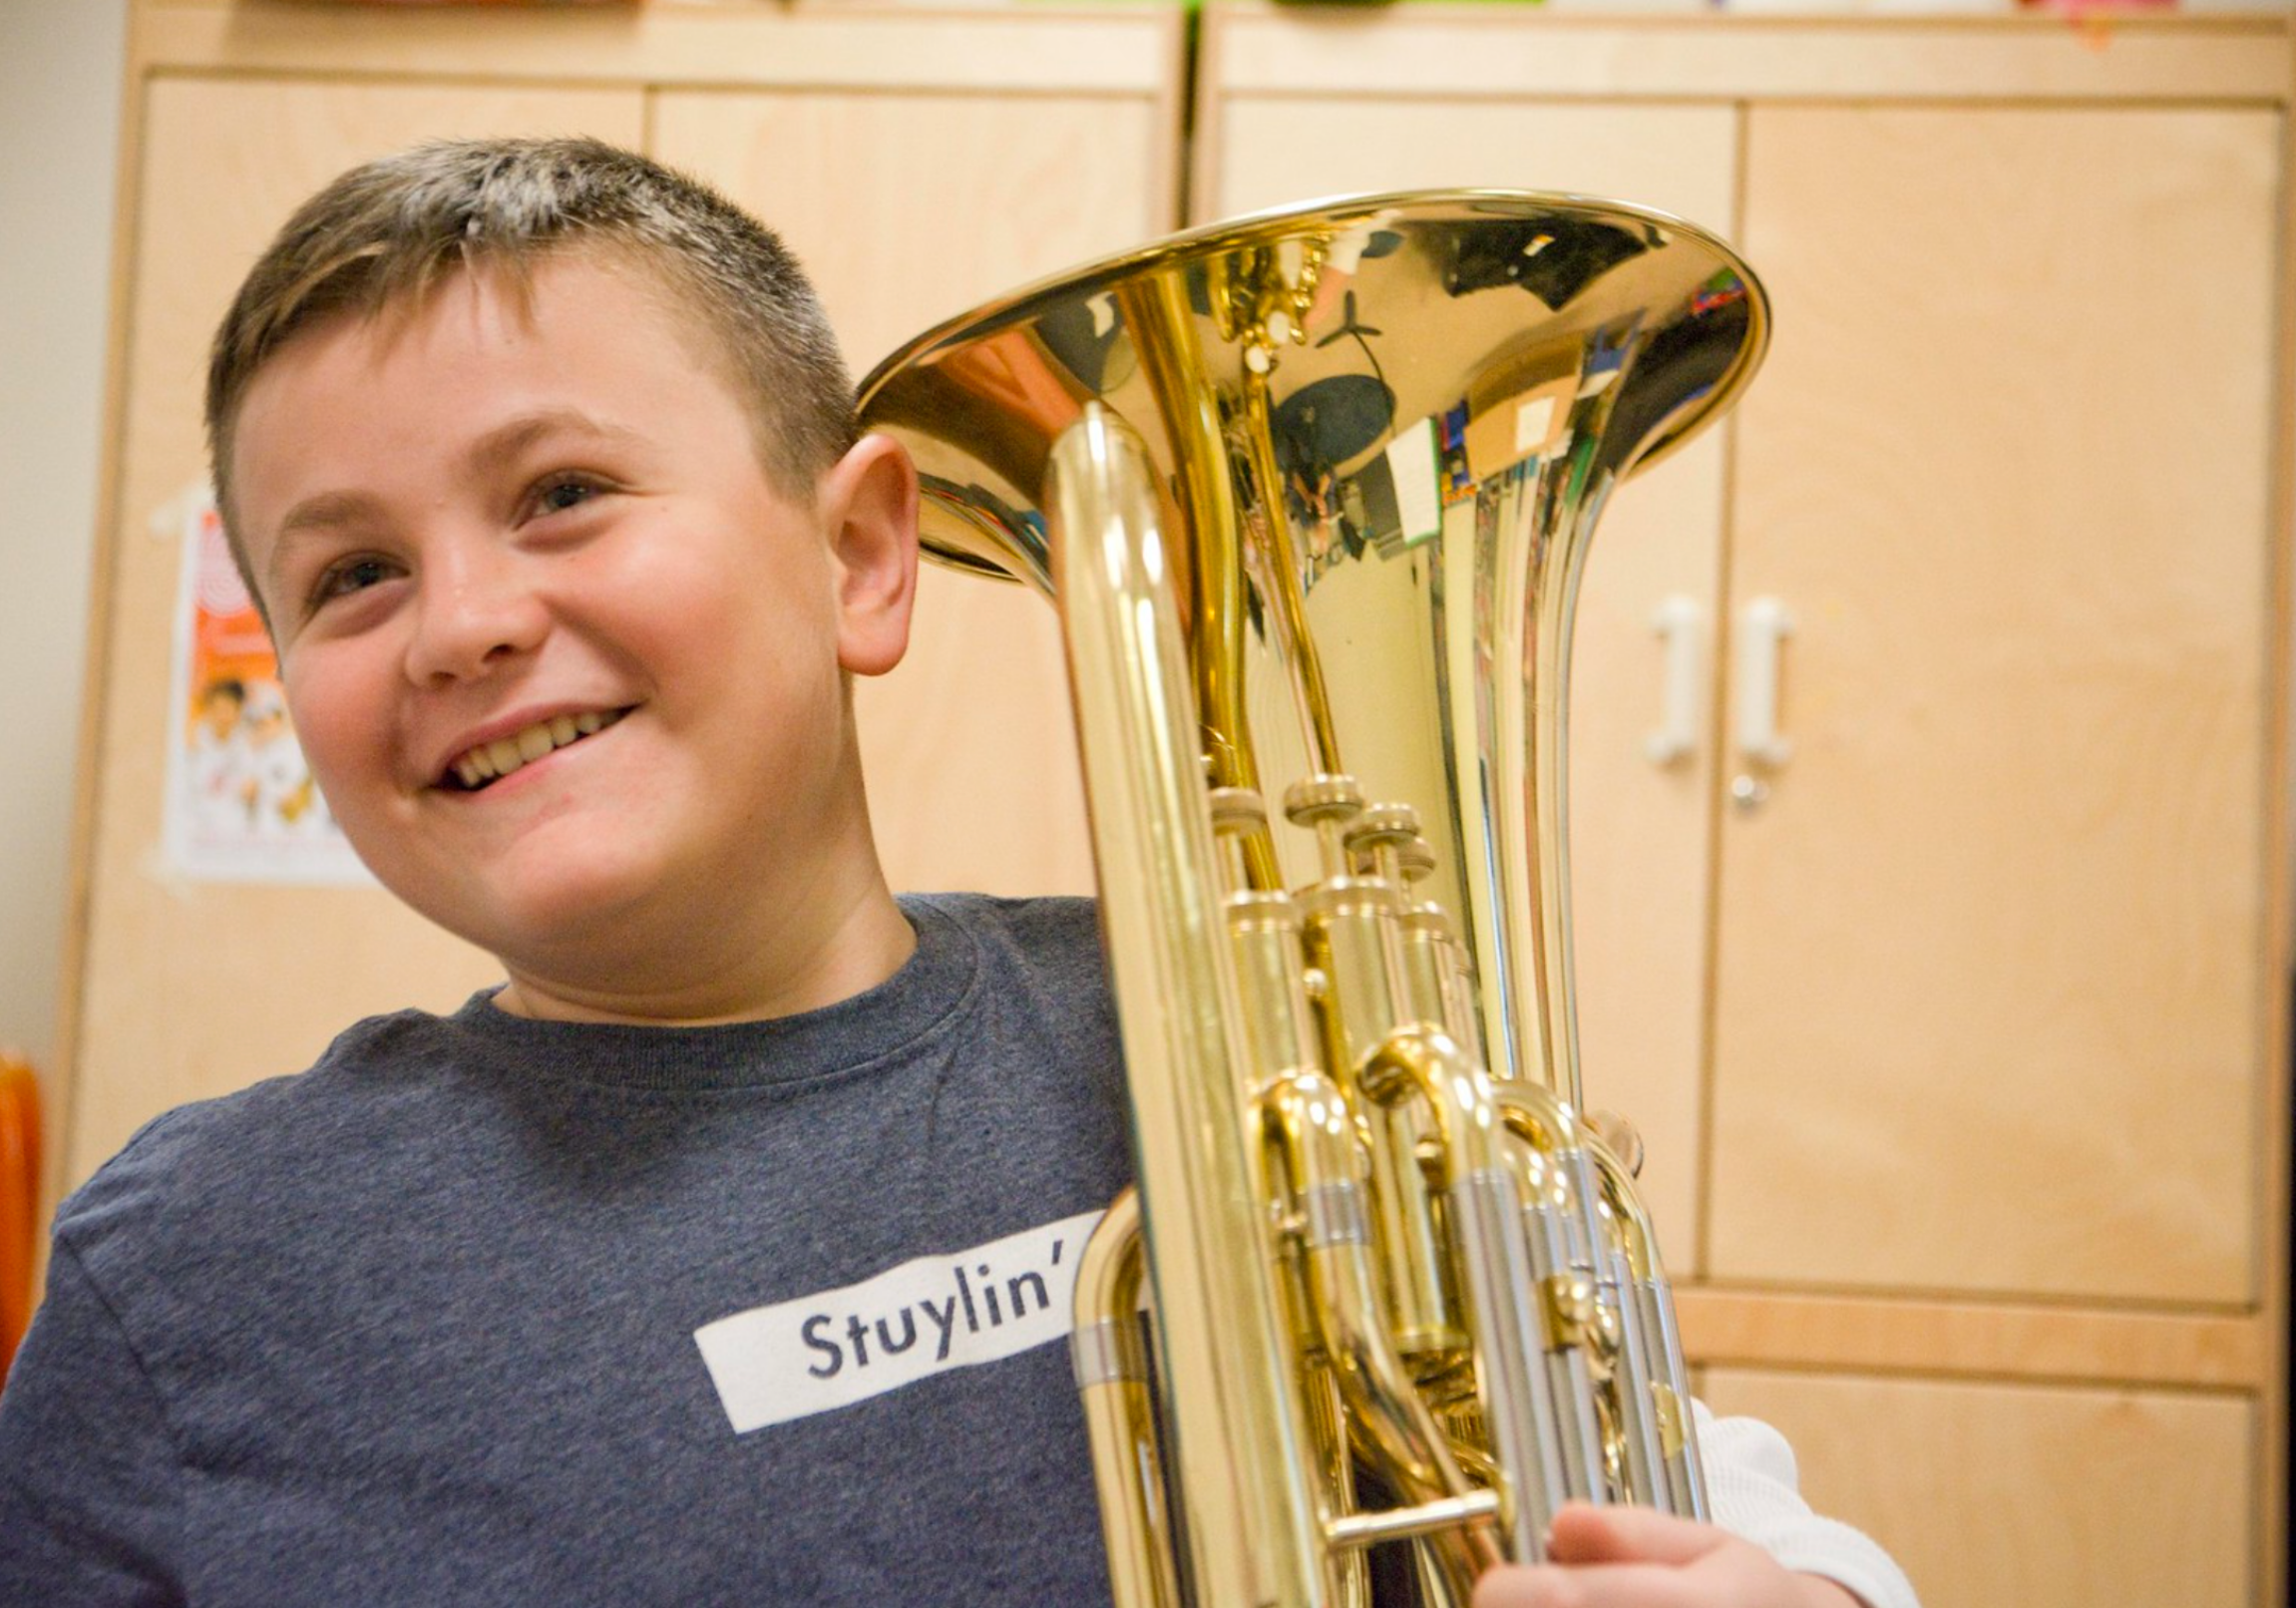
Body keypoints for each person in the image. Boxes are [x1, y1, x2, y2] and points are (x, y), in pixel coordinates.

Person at [0, 139, 1917, 1608]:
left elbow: (1657, 1479)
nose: (462, 625)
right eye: (349, 575)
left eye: (561, 493)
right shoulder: (191, 1268)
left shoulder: (1251, 1031)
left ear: (860, 559)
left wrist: (1810, 1590)